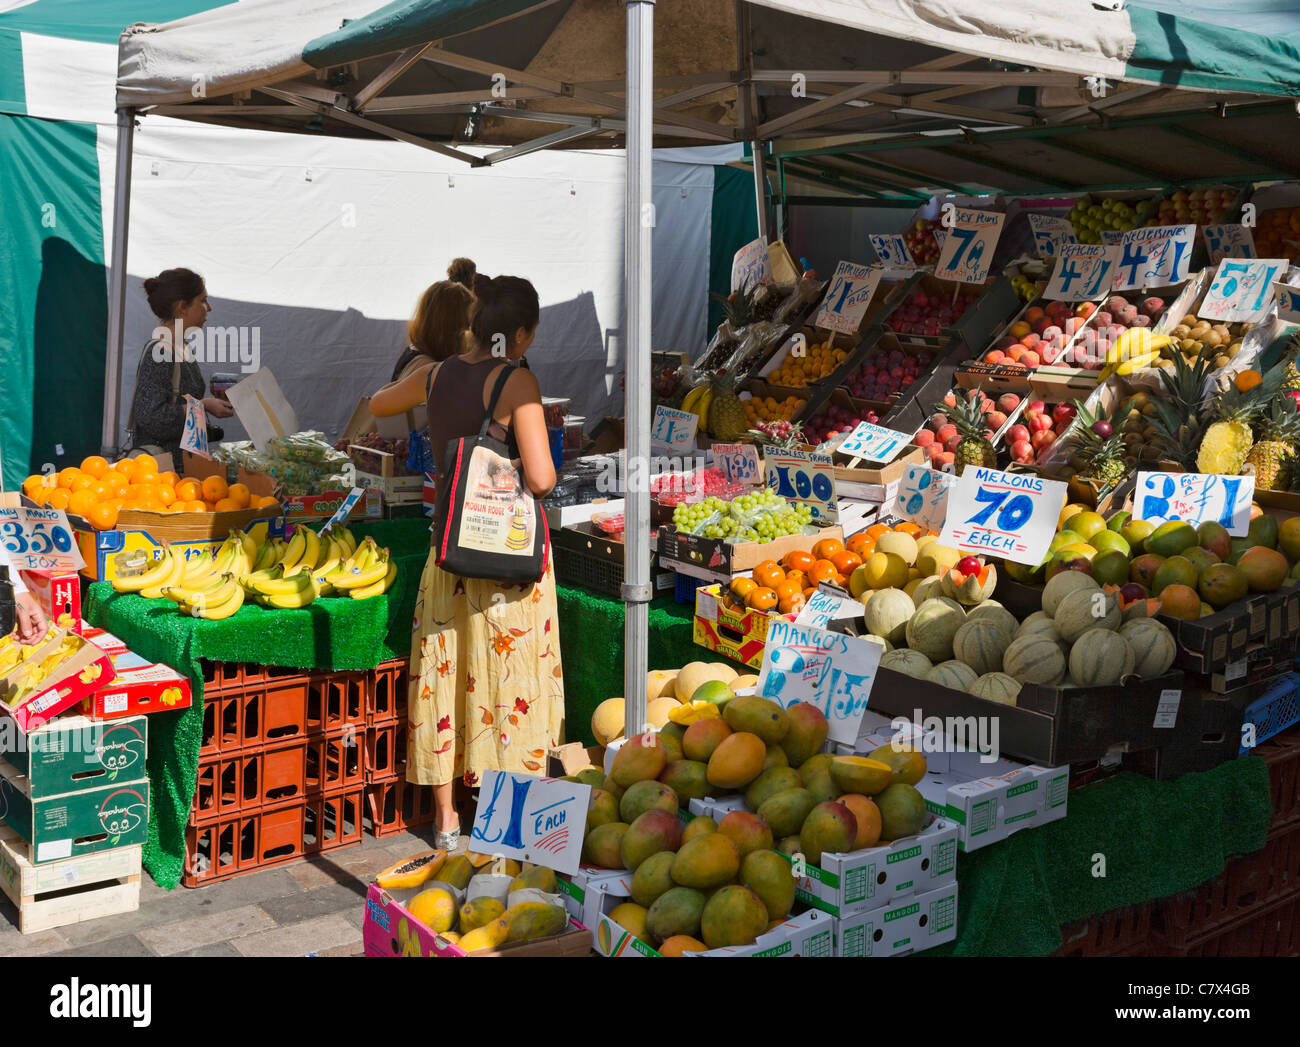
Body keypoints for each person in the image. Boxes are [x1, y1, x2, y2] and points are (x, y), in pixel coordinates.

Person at [369, 276, 562, 850]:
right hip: (505, 561)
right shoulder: (517, 379)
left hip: (448, 548)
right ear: (521, 333)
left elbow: (379, 404)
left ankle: (448, 819)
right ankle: (504, 816)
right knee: (510, 678)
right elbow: (542, 478)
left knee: (445, 678)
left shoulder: (435, 372)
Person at [127, 268, 233, 465]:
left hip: (185, 467)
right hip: (166, 472)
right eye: (202, 300)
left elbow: (178, 403)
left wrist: (209, 402)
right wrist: (203, 406)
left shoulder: (182, 348)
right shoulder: (160, 352)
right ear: (183, 307)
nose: (208, 308)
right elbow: (151, 417)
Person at [389, 279, 474, 383]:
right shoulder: (427, 368)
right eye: (463, 330)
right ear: (450, 326)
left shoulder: (416, 351)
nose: (467, 336)